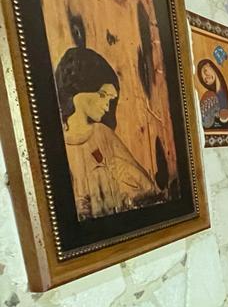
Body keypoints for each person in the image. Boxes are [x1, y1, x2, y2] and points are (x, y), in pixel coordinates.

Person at [55, 47, 161, 220]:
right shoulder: (57, 144)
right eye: (102, 95)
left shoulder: (102, 134)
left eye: (110, 100)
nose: (106, 106)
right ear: (79, 92)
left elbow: (145, 187)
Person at [196, 58, 228, 130]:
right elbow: (205, 124)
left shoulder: (222, 94)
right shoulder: (209, 95)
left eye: (205, 71)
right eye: (205, 80)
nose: (207, 77)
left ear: (209, 65)